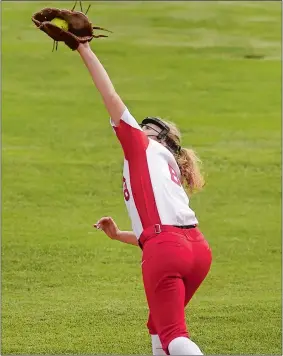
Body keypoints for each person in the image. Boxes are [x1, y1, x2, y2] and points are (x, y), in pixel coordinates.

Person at [77, 42, 212, 355]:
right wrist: (118, 235)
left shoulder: (140, 146)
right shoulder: (164, 160)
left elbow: (109, 95)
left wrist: (84, 48)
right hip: (196, 249)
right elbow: (155, 230)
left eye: (146, 127)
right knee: (159, 328)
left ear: (159, 137)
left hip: (166, 249)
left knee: (173, 335)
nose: (138, 127)